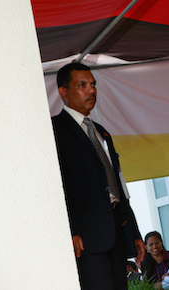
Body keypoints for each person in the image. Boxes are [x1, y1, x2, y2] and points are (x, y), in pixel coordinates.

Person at [52, 62, 145, 290]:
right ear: (64, 92)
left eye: (92, 84)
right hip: (86, 236)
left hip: (115, 229)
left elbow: (118, 186)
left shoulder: (102, 132)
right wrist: (71, 230)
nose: (91, 90)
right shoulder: (55, 130)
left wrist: (133, 231)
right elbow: (58, 186)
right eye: (82, 85)